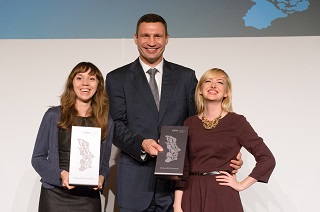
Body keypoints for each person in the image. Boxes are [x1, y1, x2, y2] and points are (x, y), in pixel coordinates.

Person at [105, 14, 243, 211]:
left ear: (167, 38)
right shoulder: (117, 78)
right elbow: (115, 126)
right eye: (145, 36)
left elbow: (203, 123)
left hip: (177, 186)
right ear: (135, 38)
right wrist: (141, 144)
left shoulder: (186, 77)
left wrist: (228, 153)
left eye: (158, 36)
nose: (151, 42)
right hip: (135, 183)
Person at [173, 68, 276, 212]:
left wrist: (241, 185)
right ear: (200, 90)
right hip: (192, 193)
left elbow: (267, 159)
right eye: (208, 81)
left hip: (221, 194)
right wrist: (177, 205)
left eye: (220, 82)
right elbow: (183, 167)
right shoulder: (189, 123)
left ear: (226, 92)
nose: (213, 85)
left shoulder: (236, 122)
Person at [31, 62, 114, 212]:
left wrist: (102, 177)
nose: (85, 84)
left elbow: (104, 165)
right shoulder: (53, 116)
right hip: (55, 196)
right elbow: (37, 158)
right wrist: (60, 175)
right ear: (72, 83)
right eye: (79, 78)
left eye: (91, 79)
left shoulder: (106, 121)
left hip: (88, 198)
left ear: (98, 84)